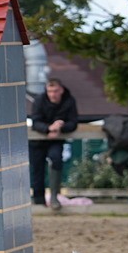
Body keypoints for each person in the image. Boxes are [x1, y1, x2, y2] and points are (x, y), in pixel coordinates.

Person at [29, 77, 78, 211]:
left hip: (56, 139)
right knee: (37, 169)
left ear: (61, 90)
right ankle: (38, 201)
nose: (53, 94)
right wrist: (48, 128)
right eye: (50, 91)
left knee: (56, 160)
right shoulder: (39, 100)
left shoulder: (69, 101)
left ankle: (54, 197)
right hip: (38, 141)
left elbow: (73, 123)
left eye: (55, 91)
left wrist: (60, 126)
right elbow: (35, 122)